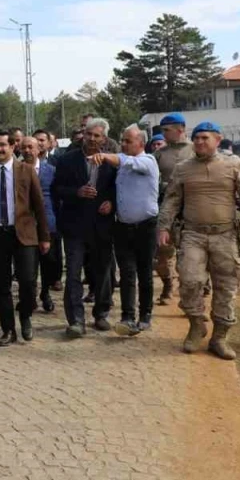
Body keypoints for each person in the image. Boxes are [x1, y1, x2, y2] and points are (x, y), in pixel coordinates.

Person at [157, 121, 240, 360]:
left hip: (225, 235)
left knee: (227, 287)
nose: (199, 142)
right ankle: (197, 326)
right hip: (193, 235)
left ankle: (220, 337)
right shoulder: (183, 168)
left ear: (217, 139)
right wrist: (163, 226)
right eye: (196, 138)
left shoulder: (232, 164)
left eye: (205, 138)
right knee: (190, 280)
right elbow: (172, 199)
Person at [0, 129, 50, 345]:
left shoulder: (27, 171)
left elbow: (39, 206)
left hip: (25, 235)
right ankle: (8, 329)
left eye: (3, 145)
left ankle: (25, 314)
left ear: (12, 147)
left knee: (28, 281)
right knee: (2, 285)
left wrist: (44, 237)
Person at [52, 117, 118, 337]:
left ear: (104, 138)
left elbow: (120, 188)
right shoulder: (66, 160)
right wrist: (76, 192)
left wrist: (112, 203)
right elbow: (56, 189)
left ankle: (101, 314)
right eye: (88, 134)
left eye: (96, 135)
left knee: (102, 272)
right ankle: (76, 320)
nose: (91, 139)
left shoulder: (113, 162)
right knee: (72, 273)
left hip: (102, 225)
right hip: (74, 226)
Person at [91, 125, 160, 336]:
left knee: (145, 272)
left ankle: (145, 315)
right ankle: (127, 317)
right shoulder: (120, 164)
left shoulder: (148, 161)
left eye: (128, 141)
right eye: (122, 140)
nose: (123, 144)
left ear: (141, 143)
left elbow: (126, 161)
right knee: (127, 273)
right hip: (122, 226)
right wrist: (111, 202)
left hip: (146, 226)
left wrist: (103, 155)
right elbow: (116, 189)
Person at [153, 113, 190, 306]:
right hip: (166, 210)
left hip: (189, 213)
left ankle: (189, 293)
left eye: (167, 130)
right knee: (162, 254)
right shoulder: (160, 154)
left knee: (189, 256)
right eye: (162, 131)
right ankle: (168, 284)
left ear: (180, 129)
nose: (164, 134)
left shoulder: (194, 151)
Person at [29, 135, 62, 313]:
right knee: (29, 265)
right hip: (26, 224)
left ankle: (45, 293)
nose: (27, 151)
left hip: (49, 223)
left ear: (38, 150)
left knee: (48, 262)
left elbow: (57, 197)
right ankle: (31, 296)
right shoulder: (17, 170)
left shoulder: (51, 170)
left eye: (31, 147)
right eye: (24, 147)